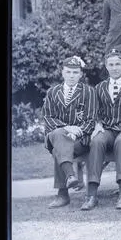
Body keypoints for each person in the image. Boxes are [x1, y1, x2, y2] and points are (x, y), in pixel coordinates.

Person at [88, 50, 121, 210]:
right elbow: (94, 112)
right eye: (111, 65)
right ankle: (91, 194)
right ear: (106, 66)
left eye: (117, 64)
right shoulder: (100, 87)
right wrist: (98, 124)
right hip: (107, 129)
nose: (114, 68)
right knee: (97, 141)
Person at [42, 56, 98, 208]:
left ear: (81, 74)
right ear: (62, 73)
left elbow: (91, 119)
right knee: (58, 135)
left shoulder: (89, 92)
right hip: (60, 135)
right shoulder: (53, 92)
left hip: (80, 140)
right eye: (68, 72)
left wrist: (77, 132)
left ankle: (63, 194)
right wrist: (67, 128)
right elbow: (48, 117)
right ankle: (70, 176)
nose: (71, 76)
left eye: (75, 72)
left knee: (58, 149)